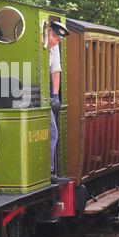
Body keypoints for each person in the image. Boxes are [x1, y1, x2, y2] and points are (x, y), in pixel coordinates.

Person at [49, 21, 69, 184]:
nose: (54, 41)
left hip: (45, 92)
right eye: (53, 37)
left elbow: (56, 71)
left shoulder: (54, 47)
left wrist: (55, 95)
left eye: (58, 40)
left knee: (53, 131)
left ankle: (49, 170)